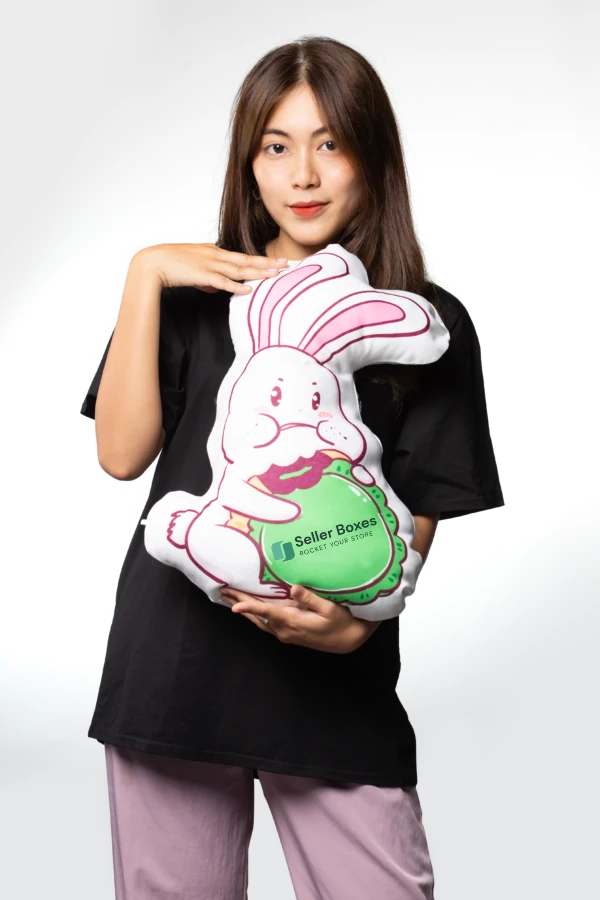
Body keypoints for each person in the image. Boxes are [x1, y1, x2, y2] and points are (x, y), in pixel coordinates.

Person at [80, 36, 504, 900]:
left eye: (330, 143)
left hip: (333, 678)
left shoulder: (422, 319)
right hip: (174, 669)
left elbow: (422, 499)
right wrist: (145, 275)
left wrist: (360, 626)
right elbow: (121, 455)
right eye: (276, 146)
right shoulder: (193, 296)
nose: (302, 175)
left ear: (371, 156)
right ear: (249, 163)